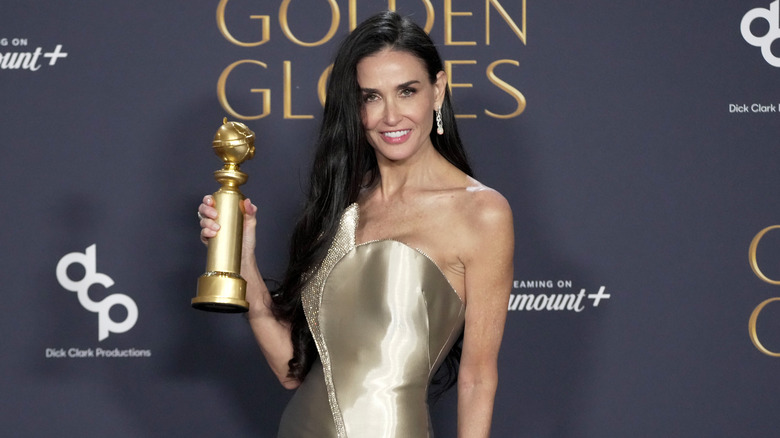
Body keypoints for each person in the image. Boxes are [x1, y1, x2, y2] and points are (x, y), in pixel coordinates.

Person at [198, 11, 514, 438]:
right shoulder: (342, 204)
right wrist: (244, 260)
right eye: (371, 97)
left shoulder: (482, 213)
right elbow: (293, 373)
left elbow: (478, 380)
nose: (390, 116)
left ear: (437, 92)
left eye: (407, 91)